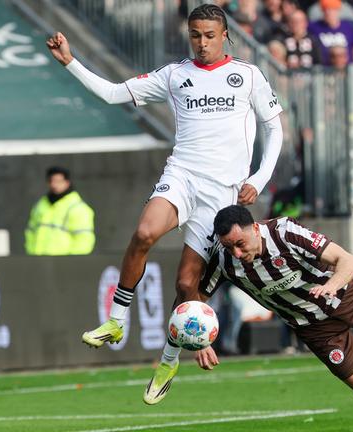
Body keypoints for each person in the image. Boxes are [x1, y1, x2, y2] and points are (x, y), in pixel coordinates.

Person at [46, 3, 284, 405]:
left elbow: (274, 129)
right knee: (143, 233)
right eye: (195, 35)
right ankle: (117, 322)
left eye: (210, 36)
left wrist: (258, 179)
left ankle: (169, 361)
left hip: (222, 191)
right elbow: (112, 94)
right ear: (187, 34)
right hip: (183, 175)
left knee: (186, 285)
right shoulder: (175, 75)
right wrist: (71, 62)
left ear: (225, 35)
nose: (202, 43)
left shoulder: (246, 76)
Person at [198, 205, 353, 430]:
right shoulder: (223, 261)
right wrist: (201, 339)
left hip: (345, 297)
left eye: (240, 243)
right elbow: (196, 299)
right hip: (316, 329)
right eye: (230, 247)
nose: (237, 253)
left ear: (255, 228)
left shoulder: (285, 233)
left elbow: (348, 261)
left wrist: (332, 285)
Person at [25, 166, 95, 255]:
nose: (54, 185)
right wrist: (31, 252)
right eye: (51, 181)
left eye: (58, 181)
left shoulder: (77, 207)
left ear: (67, 182)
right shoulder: (41, 205)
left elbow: (84, 239)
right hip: (39, 261)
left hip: (64, 263)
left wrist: (72, 261)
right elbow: (31, 231)